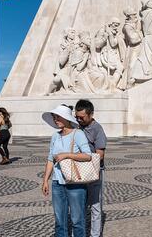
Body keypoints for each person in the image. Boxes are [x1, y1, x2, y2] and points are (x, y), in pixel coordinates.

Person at [41, 104, 92, 237]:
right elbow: (50, 159)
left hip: (75, 183)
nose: (55, 119)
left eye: (58, 117)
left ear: (66, 118)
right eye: (54, 117)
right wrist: (45, 180)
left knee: (77, 221)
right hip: (57, 183)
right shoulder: (55, 136)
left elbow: (87, 156)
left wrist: (66, 155)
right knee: (59, 221)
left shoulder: (78, 134)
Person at [75, 99, 107, 237]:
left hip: (94, 171)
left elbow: (100, 154)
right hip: (77, 171)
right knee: (78, 205)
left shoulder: (97, 129)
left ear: (90, 114)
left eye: (81, 117)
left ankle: (95, 235)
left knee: (95, 206)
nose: (79, 120)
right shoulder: (76, 126)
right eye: (77, 117)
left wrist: (85, 158)